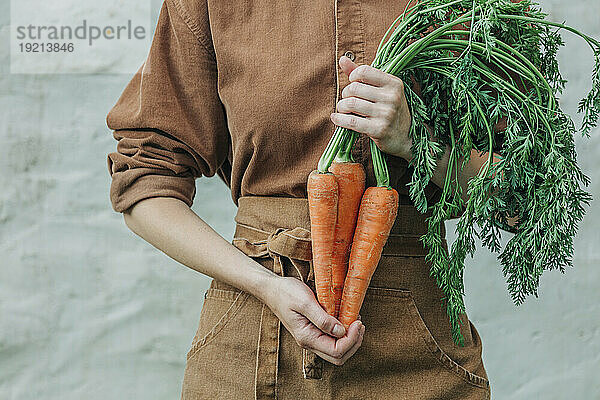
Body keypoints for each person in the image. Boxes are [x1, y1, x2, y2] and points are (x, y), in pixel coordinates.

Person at [106, 0, 508, 398]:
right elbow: (145, 182)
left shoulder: (473, 8)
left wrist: (415, 140)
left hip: (420, 358)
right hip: (249, 344)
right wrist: (264, 285)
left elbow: (519, 195)